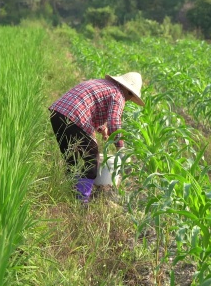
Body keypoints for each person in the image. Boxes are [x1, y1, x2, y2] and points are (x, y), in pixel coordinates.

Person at [49, 72, 144, 203]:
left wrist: (102, 129)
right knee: (92, 158)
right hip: (74, 117)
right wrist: (120, 147)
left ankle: (70, 191)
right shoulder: (118, 94)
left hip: (57, 114)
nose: (128, 100)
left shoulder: (102, 84)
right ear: (128, 91)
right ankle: (81, 201)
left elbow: (88, 107)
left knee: (72, 158)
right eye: (131, 96)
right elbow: (114, 121)